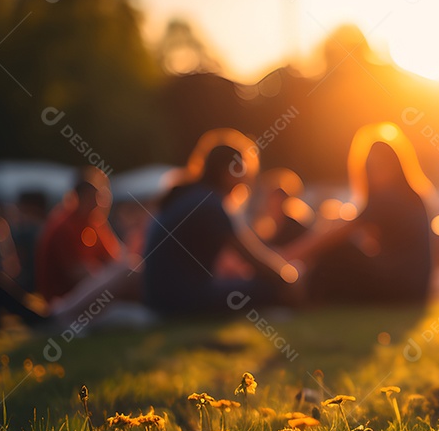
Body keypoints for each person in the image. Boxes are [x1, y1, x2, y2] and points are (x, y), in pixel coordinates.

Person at [142, 129, 299, 315]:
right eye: (243, 170)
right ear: (228, 171)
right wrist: (288, 278)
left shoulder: (190, 196)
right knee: (269, 287)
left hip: (158, 298)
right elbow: (253, 257)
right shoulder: (211, 204)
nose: (246, 179)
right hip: (179, 301)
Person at [285, 123, 433, 305]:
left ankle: (299, 299)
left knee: (337, 251)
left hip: (403, 288)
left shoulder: (390, 197)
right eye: (370, 168)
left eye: (380, 166)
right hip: (415, 290)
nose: (375, 173)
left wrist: (284, 257)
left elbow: (336, 234)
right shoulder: (410, 197)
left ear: (395, 166)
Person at [35, 170, 123, 303]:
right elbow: (77, 274)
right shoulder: (63, 225)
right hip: (64, 301)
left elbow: (115, 258)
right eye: (98, 196)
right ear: (84, 196)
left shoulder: (92, 222)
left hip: (83, 295)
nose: (102, 202)